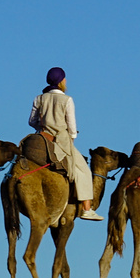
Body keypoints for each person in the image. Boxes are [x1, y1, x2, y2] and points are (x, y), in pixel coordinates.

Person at [28, 67, 101, 221]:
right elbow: (72, 128)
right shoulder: (67, 100)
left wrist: (41, 128)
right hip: (61, 142)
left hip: (43, 138)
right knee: (84, 171)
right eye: (64, 79)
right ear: (61, 81)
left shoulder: (39, 98)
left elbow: (32, 121)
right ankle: (87, 209)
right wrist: (71, 139)